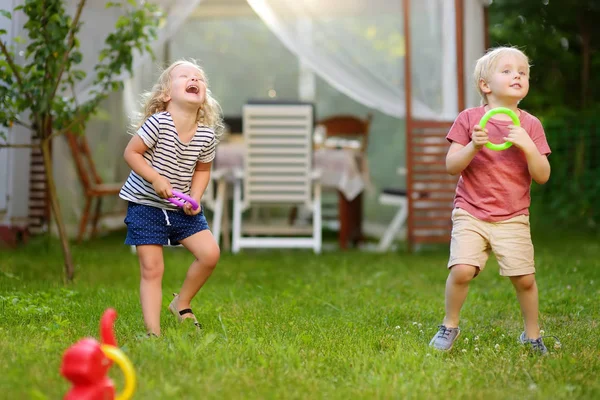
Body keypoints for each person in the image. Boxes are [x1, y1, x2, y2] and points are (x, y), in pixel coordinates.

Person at [429, 47, 554, 354]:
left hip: (512, 215)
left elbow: (542, 175)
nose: (518, 76)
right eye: (508, 71)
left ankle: (532, 335)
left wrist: (527, 145)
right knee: (461, 270)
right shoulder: (469, 119)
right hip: (470, 211)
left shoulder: (531, 125)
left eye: (522, 72)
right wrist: (473, 145)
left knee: (525, 279)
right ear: (485, 85)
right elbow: (451, 166)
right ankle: (450, 325)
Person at [119, 59, 223, 337]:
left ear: (204, 96)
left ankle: (181, 302)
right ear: (166, 95)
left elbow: (203, 169)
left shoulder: (206, 135)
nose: (194, 79)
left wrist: (196, 196)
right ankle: (153, 333)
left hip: (181, 206)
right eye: (185, 76)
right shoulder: (158, 123)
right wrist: (155, 178)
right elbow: (132, 153)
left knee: (210, 254)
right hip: (146, 204)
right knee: (153, 269)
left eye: (199, 78)